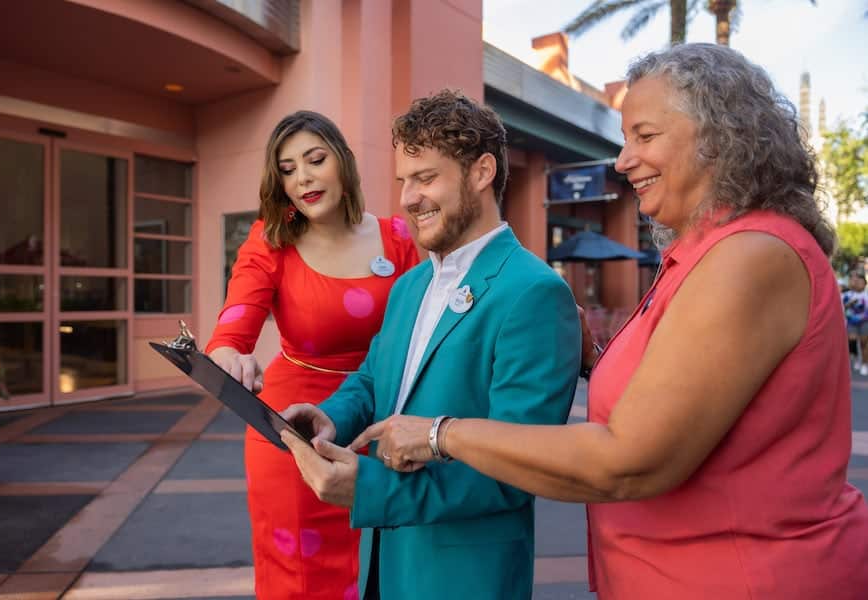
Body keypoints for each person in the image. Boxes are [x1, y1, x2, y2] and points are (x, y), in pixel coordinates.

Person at [358, 44, 868, 599]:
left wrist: (439, 434)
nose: (623, 160)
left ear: (719, 136)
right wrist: (594, 362)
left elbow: (627, 463)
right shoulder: (704, 254)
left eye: (644, 137)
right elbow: (687, 399)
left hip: (745, 577)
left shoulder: (750, 256)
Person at [278, 89, 582, 600]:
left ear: (482, 172)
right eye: (402, 181)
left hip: (463, 577)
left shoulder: (535, 292)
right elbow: (376, 379)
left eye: (425, 178)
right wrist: (332, 416)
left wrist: (372, 488)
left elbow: (522, 466)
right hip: (384, 565)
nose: (406, 198)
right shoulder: (409, 285)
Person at [205, 110, 419, 600]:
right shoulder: (271, 239)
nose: (302, 177)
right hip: (295, 433)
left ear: (341, 162)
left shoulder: (399, 238)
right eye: (287, 168)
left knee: (389, 573)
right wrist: (226, 352)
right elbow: (237, 317)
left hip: (384, 423)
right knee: (302, 579)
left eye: (315, 159)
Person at [843, 272, 868, 374]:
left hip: (865, 322)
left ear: (865, 284)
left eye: (861, 282)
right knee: (851, 341)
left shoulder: (866, 295)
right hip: (851, 322)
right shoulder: (848, 295)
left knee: (864, 343)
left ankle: (864, 364)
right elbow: (842, 307)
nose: (858, 283)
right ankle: (856, 357)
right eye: (857, 281)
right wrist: (849, 304)